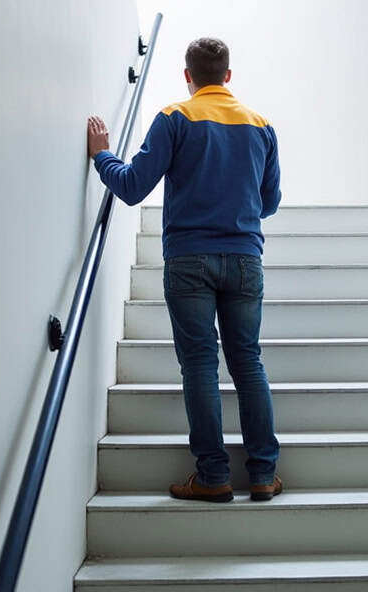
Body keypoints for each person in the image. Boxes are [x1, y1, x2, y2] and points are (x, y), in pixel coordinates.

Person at [86, 36, 282, 503]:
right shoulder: (261, 125)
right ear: (228, 76)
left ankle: (213, 476)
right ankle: (262, 475)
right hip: (244, 260)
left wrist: (101, 155)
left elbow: (132, 187)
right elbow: (269, 202)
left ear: (188, 76)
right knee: (247, 364)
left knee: (199, 366)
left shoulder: (176, 116)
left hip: (188, 260)